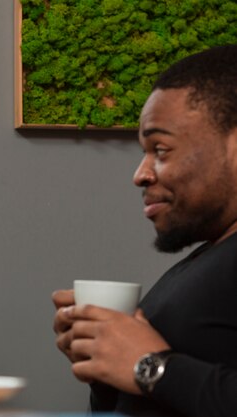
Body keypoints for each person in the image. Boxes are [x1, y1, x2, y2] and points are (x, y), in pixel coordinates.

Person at [52, 44, 237, 417]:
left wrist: (150, 367)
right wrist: (104, 364)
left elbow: (154, 371)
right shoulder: (210, 254)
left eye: (161, 150)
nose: (141, 174)